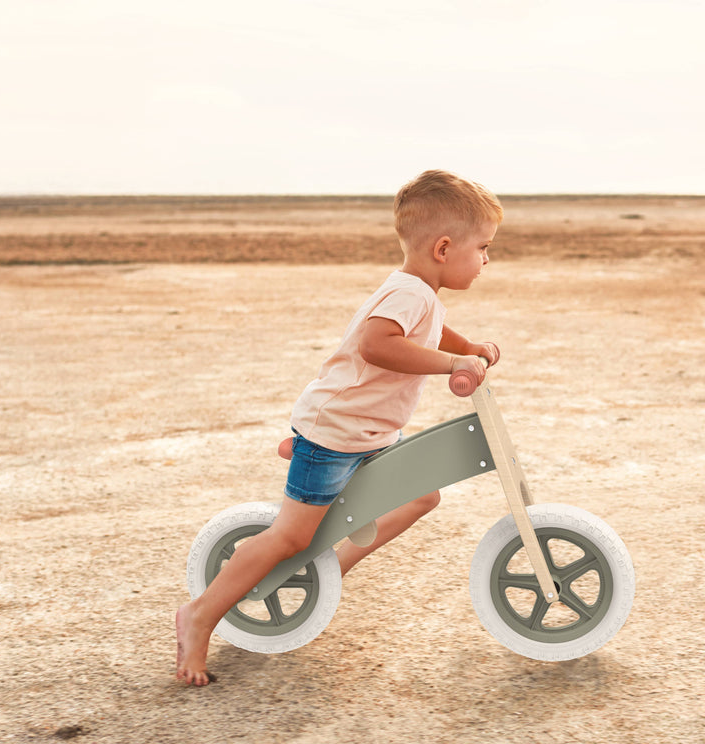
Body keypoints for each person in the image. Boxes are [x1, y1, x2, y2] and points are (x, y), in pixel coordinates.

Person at [176, 169, 503, 686]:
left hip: (367, 433)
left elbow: (429, 329)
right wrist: (451, 365)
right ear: (444, 248)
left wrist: (467, 348)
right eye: (483, 248)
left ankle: (328, 567)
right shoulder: (410, 294)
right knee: (290, 537)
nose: (487, 260)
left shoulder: (418, 292)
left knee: (421, 496)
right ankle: (199, 616)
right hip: (335, 435)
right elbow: (377, 345)